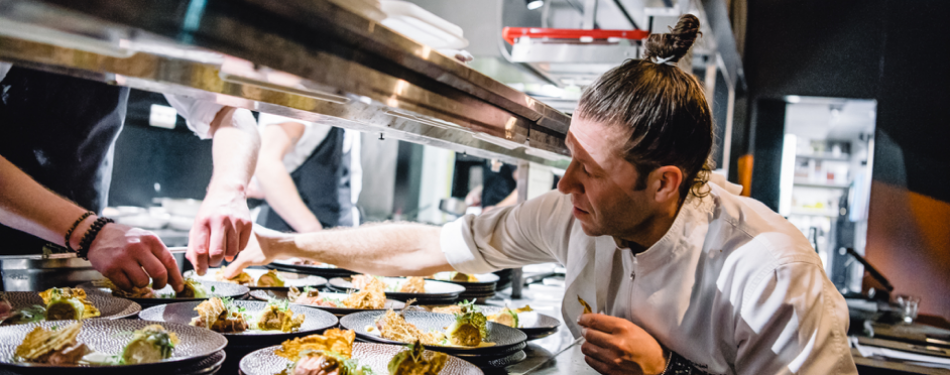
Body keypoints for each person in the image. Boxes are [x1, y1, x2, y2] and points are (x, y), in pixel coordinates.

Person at [225, 15, 856, 375]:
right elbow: (431, 246)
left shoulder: (770, 271)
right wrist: (282, 244)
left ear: (663, 183)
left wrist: (668, 372)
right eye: (568, 159)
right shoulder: (575, 213)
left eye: (589, 170)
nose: (565, 184)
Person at [0, 63, 261, 292]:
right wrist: (90, 233)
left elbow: (231, 111)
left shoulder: (145, 28)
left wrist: (229, 190)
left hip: (78, 253)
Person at [248, 113, 361, 232]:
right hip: (290, 232)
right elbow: (266, 162)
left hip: (333, 226)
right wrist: (313, 232)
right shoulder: (306, 102)